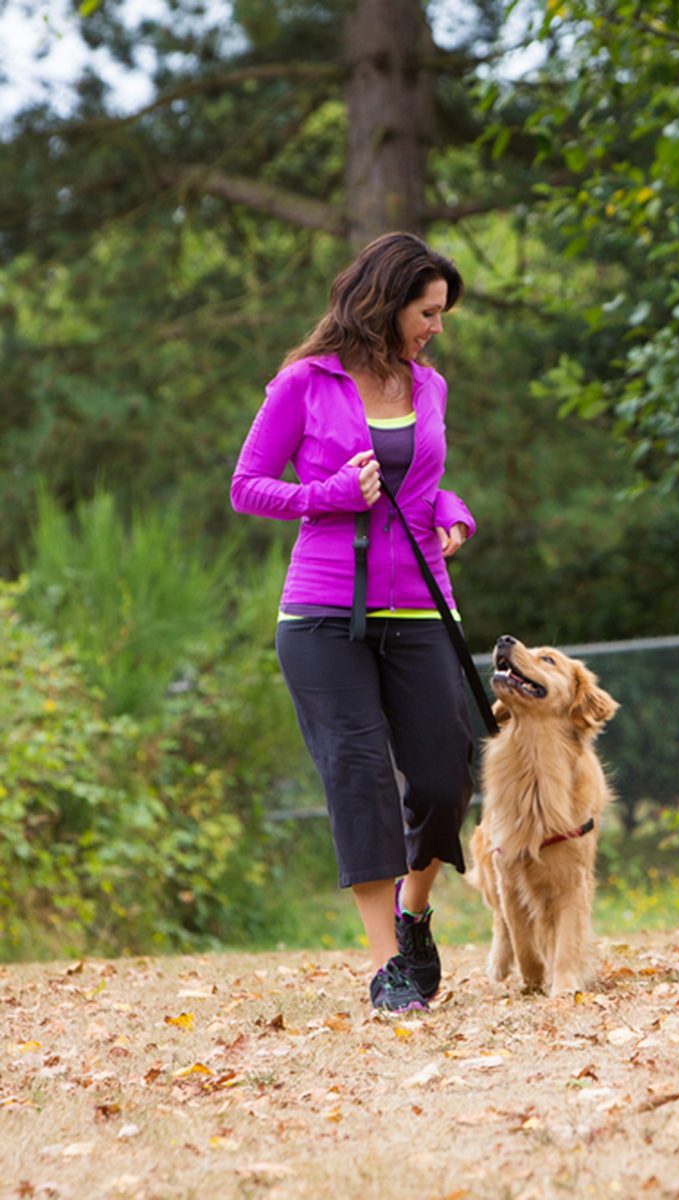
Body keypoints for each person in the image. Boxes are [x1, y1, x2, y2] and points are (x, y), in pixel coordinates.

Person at [230, 232, 476, 1013]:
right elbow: (247, 485)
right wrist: (324, 494)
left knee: (446, 772)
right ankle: (387, 970)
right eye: (427, 311)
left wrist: (456, 515)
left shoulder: (427, 386)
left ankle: (413, 914)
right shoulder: (303, 383)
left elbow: (426, 486)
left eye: (440, 313)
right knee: (361, 777)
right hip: (322, 613)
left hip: (420, 604)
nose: (436, 326)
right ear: (387, 301)